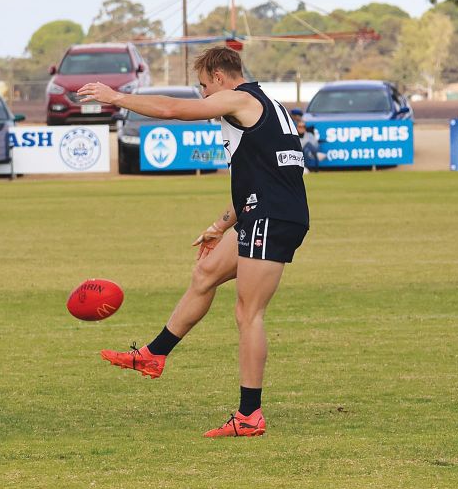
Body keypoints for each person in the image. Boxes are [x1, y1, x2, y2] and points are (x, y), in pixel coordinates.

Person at [78, 46, 309, 438]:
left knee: (248, 314)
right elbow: (264, 174)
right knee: (205, 273)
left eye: (204, 86)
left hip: (270, 217)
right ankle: (154, 355)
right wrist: (221, 225)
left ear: (220, 76)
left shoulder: (239, 98)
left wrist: (116, 97)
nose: (203, 95)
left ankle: (249, 415)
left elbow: (171, 110)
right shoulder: (266, 104)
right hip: (263, 212)